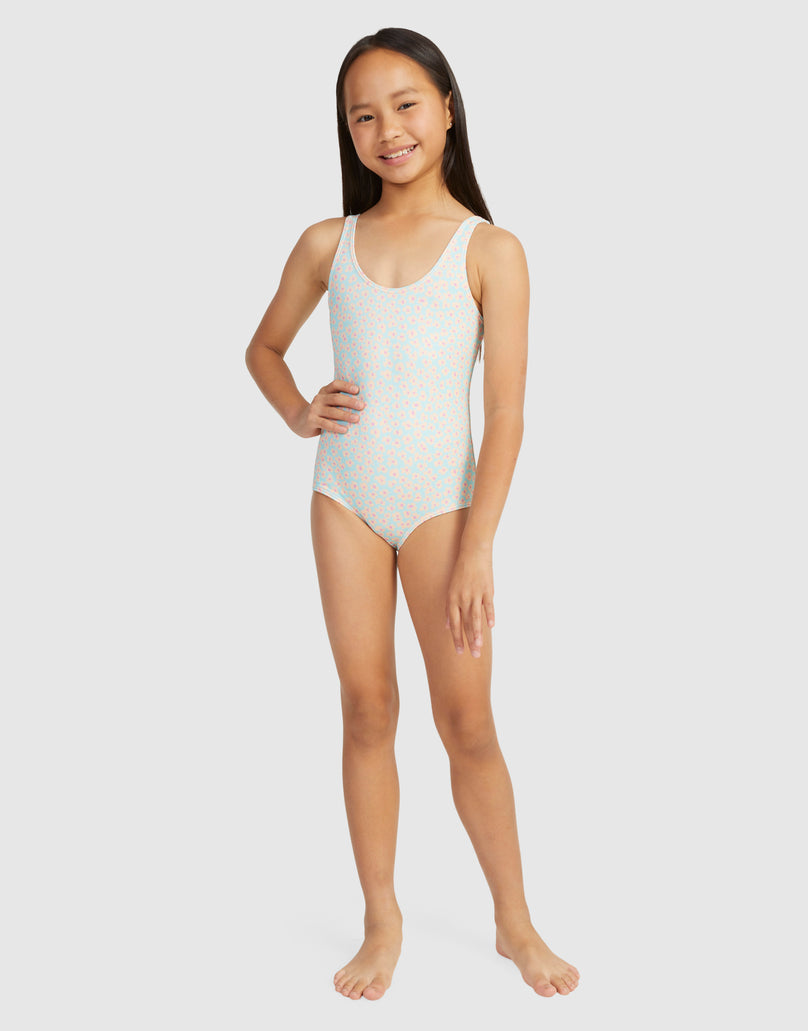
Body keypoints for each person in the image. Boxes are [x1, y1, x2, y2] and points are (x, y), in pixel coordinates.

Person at [245, 26, 580, 1003]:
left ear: (446, 108)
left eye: (404, 105)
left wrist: (479, 545)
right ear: (346, 131)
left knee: (466, 719)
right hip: (343, 496)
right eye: (363, 115)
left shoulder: (491, 249)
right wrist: (299, 411)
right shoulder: (328, 242)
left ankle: (514, 919)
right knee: (366, 707)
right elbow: (262, 348)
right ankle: (381, 916)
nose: (386, 129)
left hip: (444, 506)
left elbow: (507, 411)